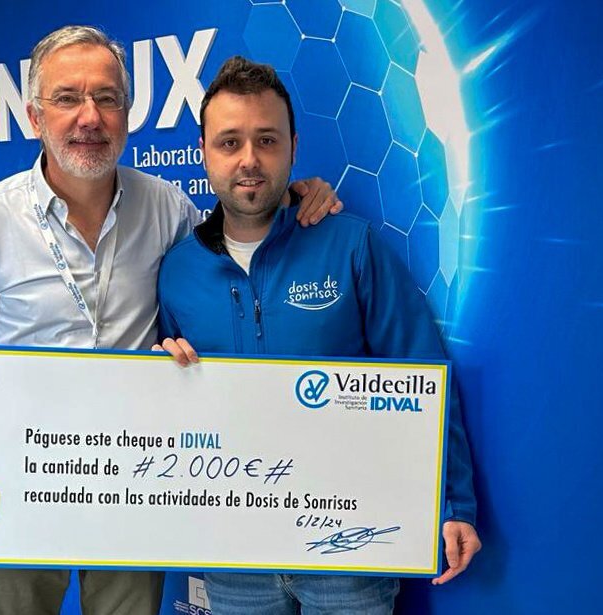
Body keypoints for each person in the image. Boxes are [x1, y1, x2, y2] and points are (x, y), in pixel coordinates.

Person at [0, 26, 342, 615]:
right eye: (67, 98)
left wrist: (296, 195)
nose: (89, 117)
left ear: (127, 114)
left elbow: (237, 224)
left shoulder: (167, 208)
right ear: (34, 117)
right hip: (17, 487)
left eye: (106, 98)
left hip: (130, 482)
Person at [155, 56, 481, 614]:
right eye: (230, 142)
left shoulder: (351, 245)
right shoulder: (177, 271)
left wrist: (452, 503)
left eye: (267, 140)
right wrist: (164, 379)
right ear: (204, 151)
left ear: (293, 147)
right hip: (234, 555)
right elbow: (167, 409)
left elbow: (422, 371)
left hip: (349, 547)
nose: (249, 159)